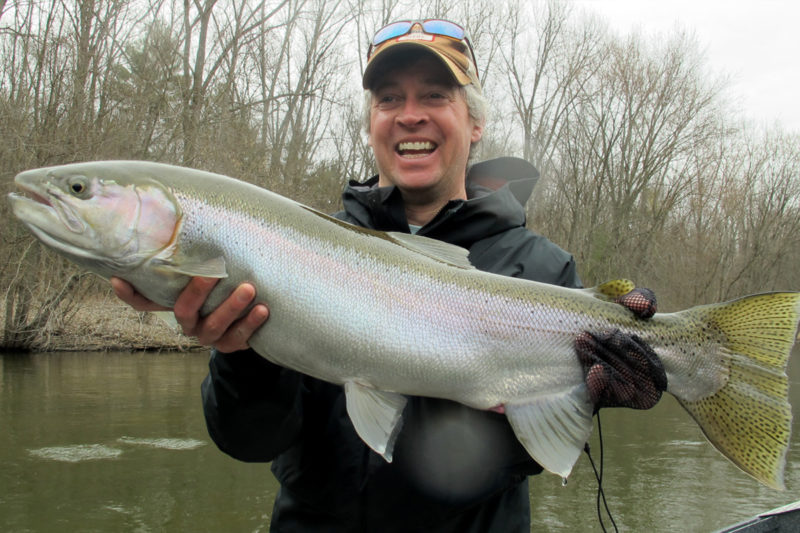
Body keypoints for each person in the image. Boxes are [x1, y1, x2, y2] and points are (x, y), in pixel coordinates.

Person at [112, 19, 666, 532]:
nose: (410, 114)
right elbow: (251, 441)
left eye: (434, 96)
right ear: (373, 124)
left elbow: (520, 461)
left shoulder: (543, 270)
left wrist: (588, 392)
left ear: (475, 124)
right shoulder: (293, 250)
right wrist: (237, 355)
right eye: (389, 99)